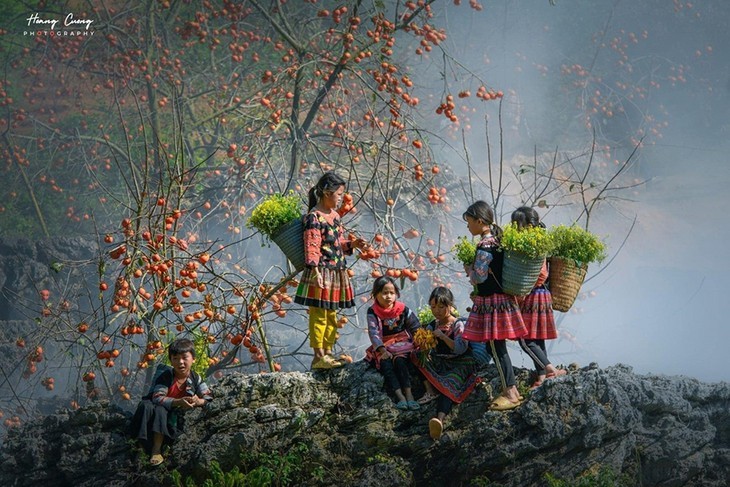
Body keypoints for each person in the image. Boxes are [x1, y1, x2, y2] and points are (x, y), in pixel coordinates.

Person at [294, 172, 367, 369]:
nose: (341, 198)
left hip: (336, 271)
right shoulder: (313, 217)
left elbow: (336, 244)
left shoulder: (335, 217)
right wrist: (315, 271)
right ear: (327, 192)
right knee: (319, 315)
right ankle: (319, 356)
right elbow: (312, 245)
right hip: (320, 272)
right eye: (339, 194)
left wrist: (352, 243)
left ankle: (327, 353)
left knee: (331, 315)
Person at [461, 200, 527, 411]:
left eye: (470, 222)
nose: (468, 226)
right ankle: (514, 391)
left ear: (480, 221)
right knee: (500, 347)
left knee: (496, 347)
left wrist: (468, 269)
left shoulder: (484, 245)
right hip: (503, 300)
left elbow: (478, 277)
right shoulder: (498, 241)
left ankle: (509, 392)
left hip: (492, 303)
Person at [130, 338, 212, 466]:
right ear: (171, 361)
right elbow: (157, 397)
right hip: (151, 414)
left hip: (171, 420)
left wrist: (198, 401)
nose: (181, 362)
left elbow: (208, 397)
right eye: (175, 358)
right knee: (151, 406)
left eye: (185, 358)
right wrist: (178, 401)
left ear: (193, 359)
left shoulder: (195, 378)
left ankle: (157, 449)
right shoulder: (166, 376)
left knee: (162, 410)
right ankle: (141, 446)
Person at [413, 287, 480, 440]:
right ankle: (430, 391)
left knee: (450, 382)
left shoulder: (458, 325)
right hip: (441, 360)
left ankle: (439, 419)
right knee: (416, 356)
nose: (436, 311)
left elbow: (460, 348)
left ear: (450, 306)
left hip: (460, 362)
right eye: (433, 307)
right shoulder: (432, 325)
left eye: (441, 307)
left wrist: (443, 337)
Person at [511, 206, 567, 389]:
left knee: (524, 338)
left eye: (519, 225)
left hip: (533, 294)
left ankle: (549, 369)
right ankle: (542, 375)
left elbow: (541, 274)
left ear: (530, 225)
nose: (516, 229)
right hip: (539, 294)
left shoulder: (536, 243)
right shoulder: (536, 241)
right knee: (536, 337)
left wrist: (522, 292)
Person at [364, 276, 422, 411]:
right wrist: (382, 350)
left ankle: (409, 395)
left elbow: (415, 327)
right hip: (383, 345)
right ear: (376, 294)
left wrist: (421, 343)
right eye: (384, 293)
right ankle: (400, 397)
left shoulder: (403, 309)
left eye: (392, 293)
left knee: (401, 362)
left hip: (402, 344)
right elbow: (373, 332)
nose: (388, 296)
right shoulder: (373, 312)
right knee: (386, 365)